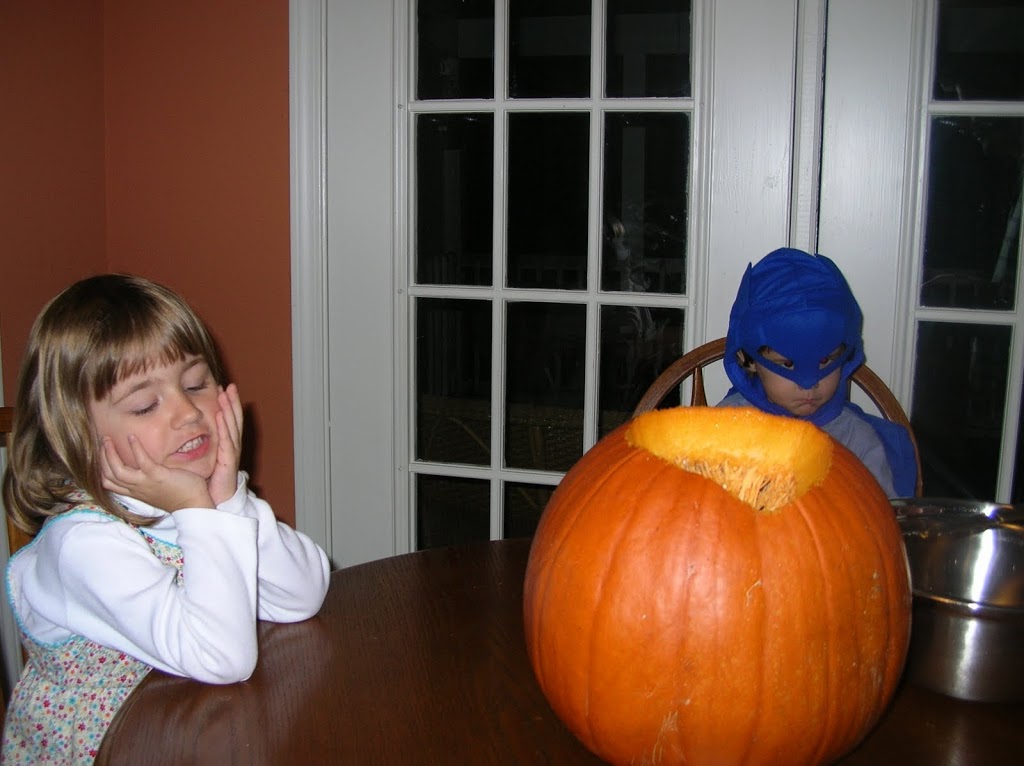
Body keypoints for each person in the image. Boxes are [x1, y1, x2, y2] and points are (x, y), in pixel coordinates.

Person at [1, 274, 331, 764]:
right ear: (78, 436)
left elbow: (302, 595)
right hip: (105, 750)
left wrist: (227, 502)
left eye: (196, 384)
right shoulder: (83, 545)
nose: (187, 412)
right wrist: (200, 512)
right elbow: (223, 659)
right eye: (144, 404)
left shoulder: (186, 503)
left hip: (189, 726)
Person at [717, 247, 917, 497]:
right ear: (746, 359)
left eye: (826, 362)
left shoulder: (859, 441)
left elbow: (881, 525)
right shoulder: (724, 430)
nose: (809, 384)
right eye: (787, 364)